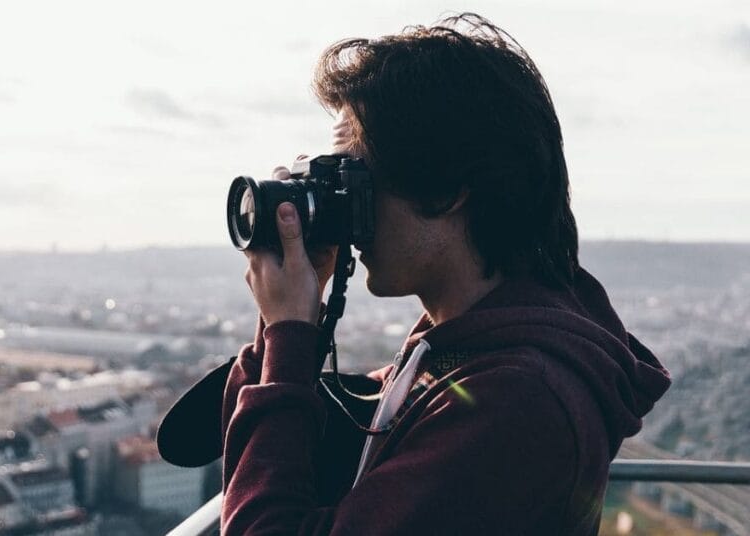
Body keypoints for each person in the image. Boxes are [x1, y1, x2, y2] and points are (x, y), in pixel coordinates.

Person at [223, 13, 671, 535]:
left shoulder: (515, 400)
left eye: (356, 180)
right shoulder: (465, 346)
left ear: (447, 189)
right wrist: (282, 328)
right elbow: (261, 463)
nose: (347, 210)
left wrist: (289, 331)